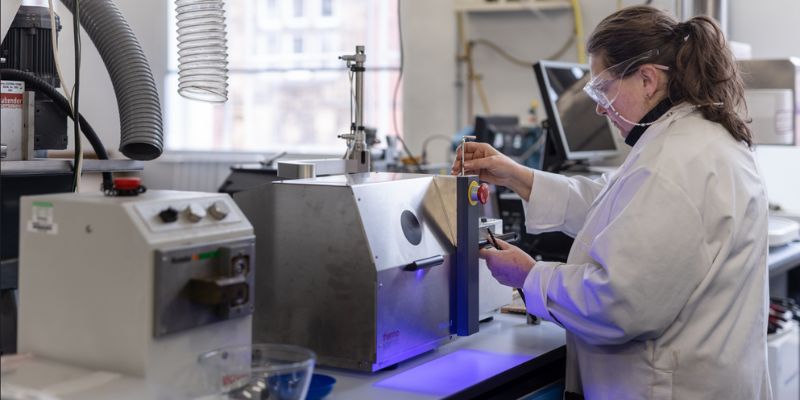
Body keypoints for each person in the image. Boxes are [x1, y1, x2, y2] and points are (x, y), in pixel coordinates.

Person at [452, 6, 770, 400]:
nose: (601, 107)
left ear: (647, 80)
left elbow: (618, 305)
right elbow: (617, 204)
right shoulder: (693, 139)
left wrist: (529, 276)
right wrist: (519, 176)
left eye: (603, 89)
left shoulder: (673, 163)